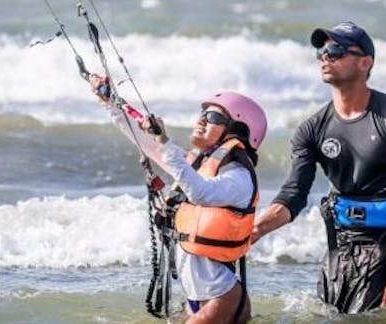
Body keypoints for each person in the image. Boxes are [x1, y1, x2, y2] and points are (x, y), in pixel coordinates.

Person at [251, 21, 386, 313]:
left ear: (365, 62)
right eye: (322, 53)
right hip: (339, 251)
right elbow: (294, 194)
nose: (326, 57)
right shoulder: (311, 129)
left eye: (336, 50)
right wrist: (256, 229)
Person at [90, 75, 267, 323]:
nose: (202, 119)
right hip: (196, 299)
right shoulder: (200, 166)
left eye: (214, 117)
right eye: (202, 113)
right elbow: (151, 147)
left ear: (237, 130)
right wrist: (110, 103)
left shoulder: (239, 178)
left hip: (220, 298)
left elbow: (199, 192)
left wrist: (165, 139)